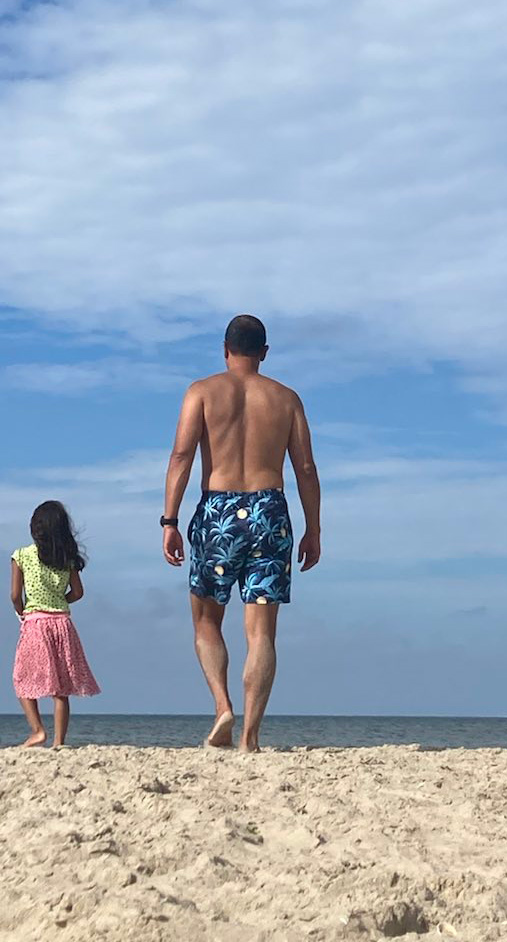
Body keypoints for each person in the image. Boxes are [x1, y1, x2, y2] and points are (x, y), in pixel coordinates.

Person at [162, 315, 321, 752]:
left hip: (218, 510)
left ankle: (222, 707)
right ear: (265, 353)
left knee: (206, 621)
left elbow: (181, 455)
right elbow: (305, 468)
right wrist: (314, 528)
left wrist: (170, 521)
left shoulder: (201, 392)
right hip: (270, 510)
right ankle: (250, 735)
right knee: (261, 632)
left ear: (225, 348)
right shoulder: (286, 399)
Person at [10, 500, 100, 747]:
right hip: (62, 624)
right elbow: (78, 592)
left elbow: (15, 596)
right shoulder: (67, 559)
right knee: (60, 688)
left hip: (35, 623)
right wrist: (61, 599)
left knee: (23, 679)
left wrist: (22, 612)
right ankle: (59, 742)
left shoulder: (22, 556)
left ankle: (38, 730)